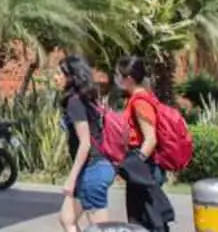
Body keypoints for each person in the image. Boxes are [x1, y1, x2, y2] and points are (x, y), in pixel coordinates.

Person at [114, 56, 174, 232]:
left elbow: (151, 138)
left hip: (145, 166)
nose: (117, 79)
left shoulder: (140, 102)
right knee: (146, 218)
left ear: (129, 79)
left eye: (119, 75)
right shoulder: (139, 98)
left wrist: (136, 162)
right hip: (143, 165)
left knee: (148, 220)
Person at [56, 55, 115, 232]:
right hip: (93, 168)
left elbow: (85, 143)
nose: (55, 77)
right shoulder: (85, 99)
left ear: (71, 77)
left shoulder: (75, 102)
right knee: (67, 219)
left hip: (93, 170)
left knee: (100, 229)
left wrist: (71, 179)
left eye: (59, 74)